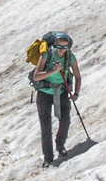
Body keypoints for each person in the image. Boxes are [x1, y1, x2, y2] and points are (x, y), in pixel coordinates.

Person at [29, 31, 81, 166]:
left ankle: (60, 145)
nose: (62, 50)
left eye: (65, 48)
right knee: (46, 127)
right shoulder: (47, 54)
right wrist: (53, 70)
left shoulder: (70, 57)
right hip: (44, 93)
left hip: (61, 92)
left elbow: (78, 76)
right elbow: (36, 76)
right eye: (59, 47)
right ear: (55, 46)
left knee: (65, 121)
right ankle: (48, 158)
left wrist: (76, 93)